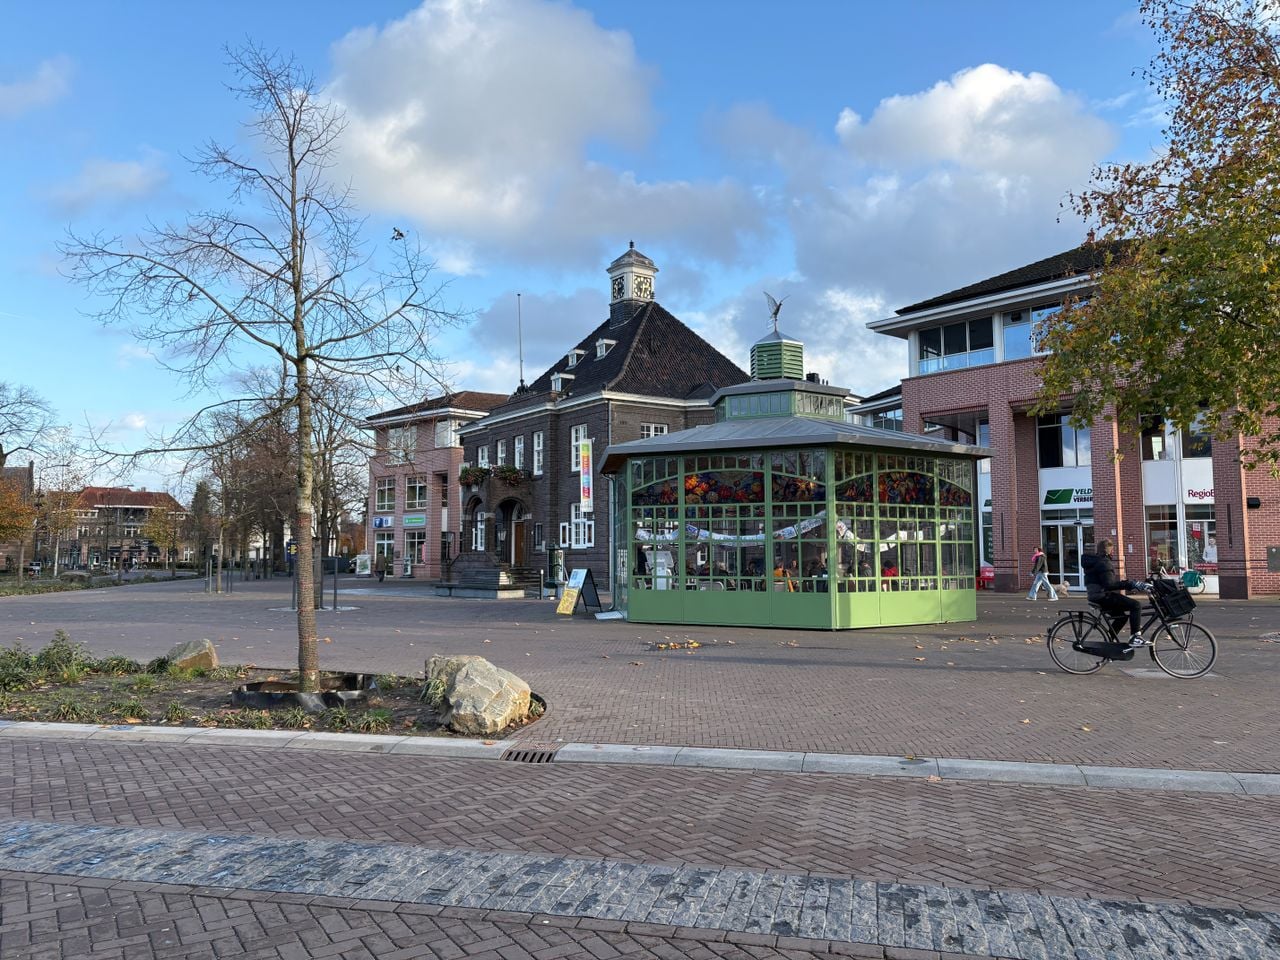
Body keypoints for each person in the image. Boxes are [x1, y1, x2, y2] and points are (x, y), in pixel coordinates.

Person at [1081, 538, 1148, 647]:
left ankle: (1108, 643)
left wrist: (1129, 584)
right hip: (1102, 596)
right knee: (1136, 605)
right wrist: (1131, 584)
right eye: (1112, 550)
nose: (1113, 552)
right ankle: (1135, 637)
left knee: (1121, 617)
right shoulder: (1104, 563)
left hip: (1095, 595)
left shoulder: (1095, 561)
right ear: (1109, 551)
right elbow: (1110, 585)